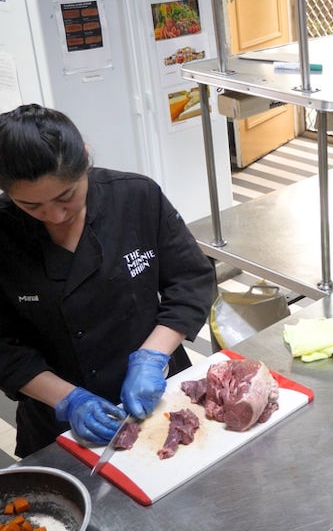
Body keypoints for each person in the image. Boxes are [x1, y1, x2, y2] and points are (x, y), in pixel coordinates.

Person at [0, 104, 216, 457]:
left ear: (84, 160)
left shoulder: (136, 197)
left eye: (66, 196)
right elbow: (4, 347)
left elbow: (191, 280)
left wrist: (151, 357)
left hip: (160, 401)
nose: (54, 216)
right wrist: (69, 400)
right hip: (54, 419)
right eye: (31, 206)